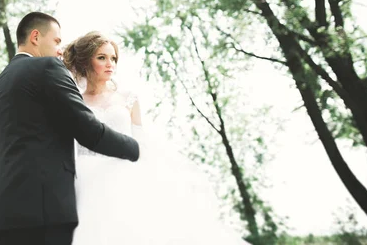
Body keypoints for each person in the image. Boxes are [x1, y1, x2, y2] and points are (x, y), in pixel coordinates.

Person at [63, 31, 250, 244]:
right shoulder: (74, 100)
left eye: (113, 58)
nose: (110, 64)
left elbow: (139, 139)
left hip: (124, 174)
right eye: (102, 57)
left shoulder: (128, 98)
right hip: (85, 178)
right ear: (87, 60)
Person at [0, 13, 140, 245]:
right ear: (35, 37)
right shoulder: (46, 67)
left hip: (4, 217)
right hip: (46, 213)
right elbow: (89, 131)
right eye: (56, 41)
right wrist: (137, 149)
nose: (59, 50)